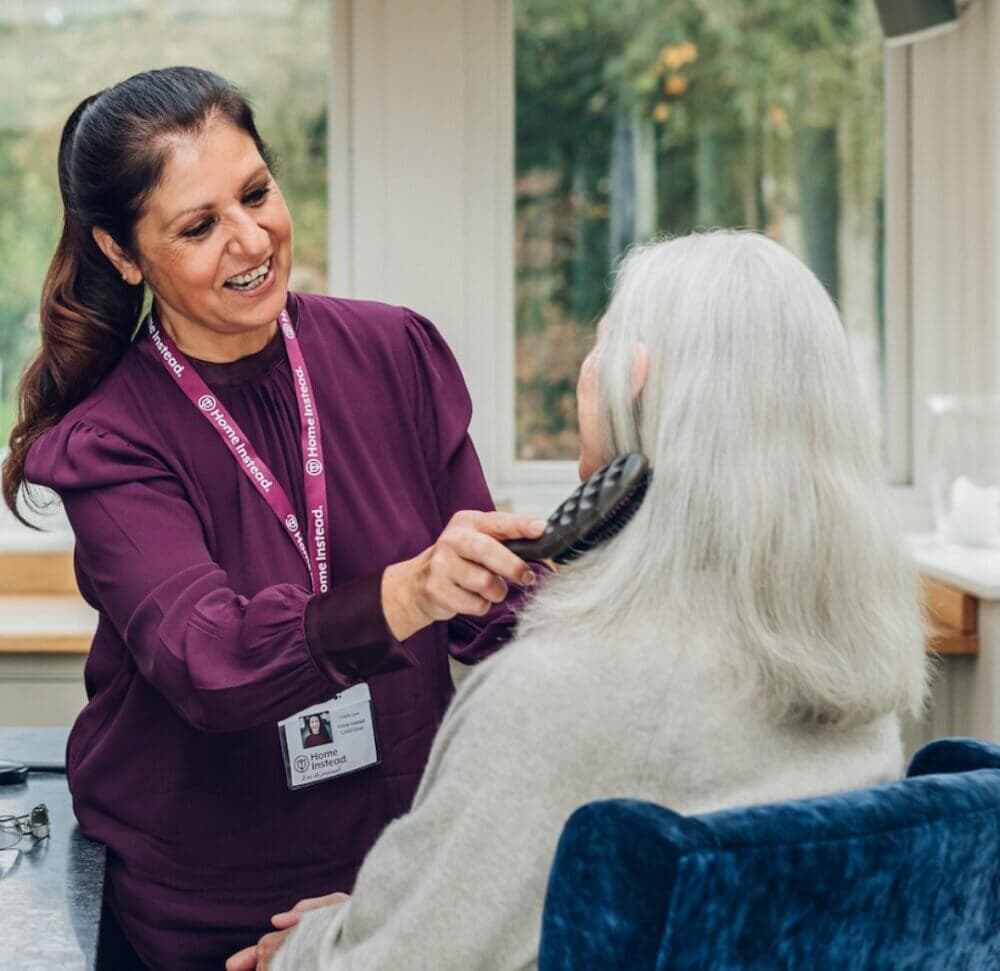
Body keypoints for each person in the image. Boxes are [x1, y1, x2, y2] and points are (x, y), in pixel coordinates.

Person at [227, 230, 928, 971]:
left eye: (598, 346)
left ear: (635, 382)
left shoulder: (554, 695)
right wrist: (380, 913)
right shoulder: (857, 685)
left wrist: (305, 948)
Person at [1, 67, 545, 971]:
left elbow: (489, 610)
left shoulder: (394, 352)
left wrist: (577, 576)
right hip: (206, 918)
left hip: (392, 890)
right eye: (198, 225)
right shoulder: (110, 439)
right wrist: (406, 592)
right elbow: (208, 660)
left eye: (256, 193)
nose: (250, 238)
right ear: (123, 252)